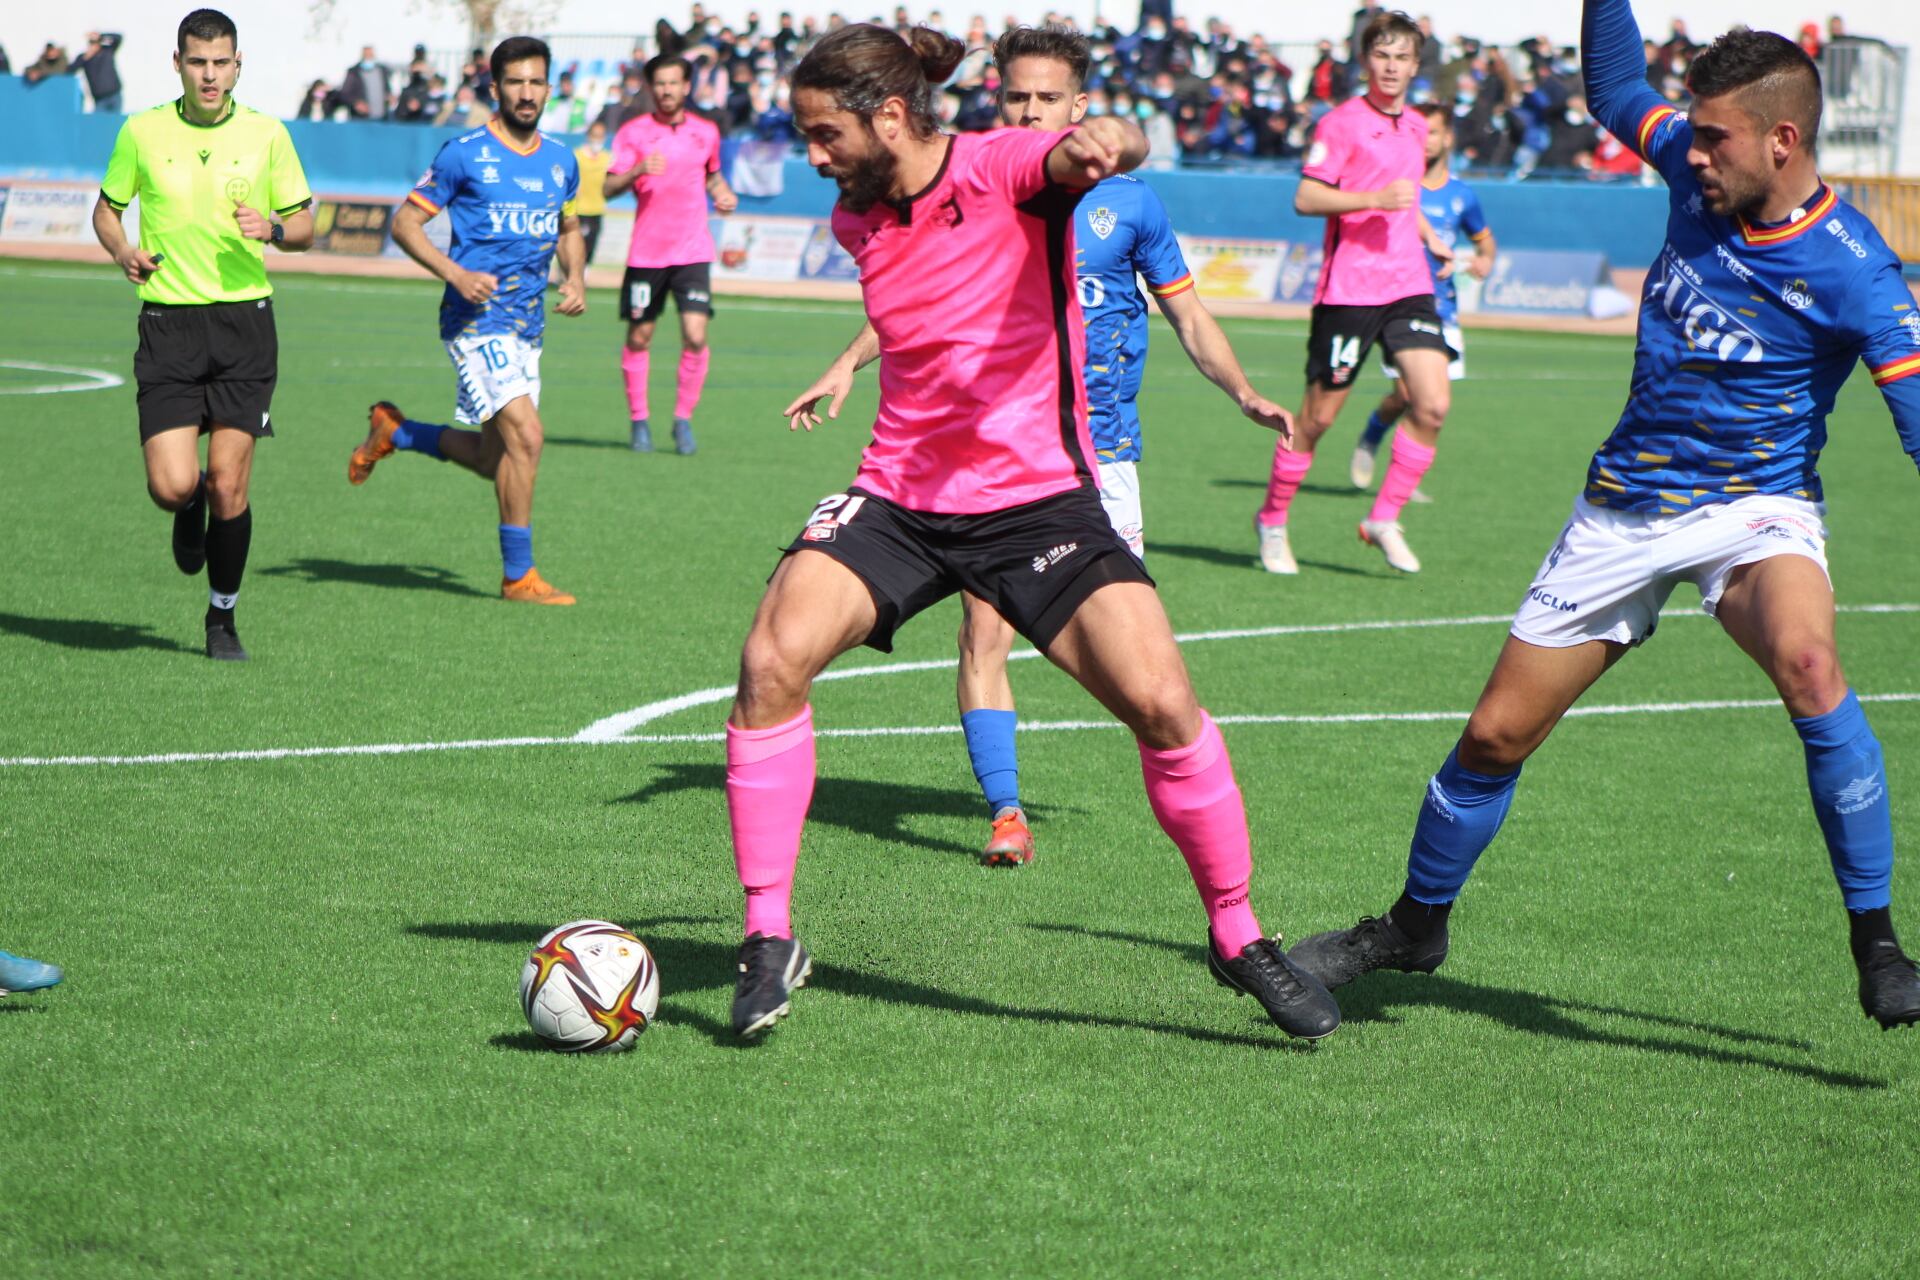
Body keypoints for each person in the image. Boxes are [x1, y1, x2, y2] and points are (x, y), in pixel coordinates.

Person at [1289, 0, 1920, 1033]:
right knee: (1493, 737)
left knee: (1812, 666)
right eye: (1696, 133)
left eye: (1715, 136)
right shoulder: (1691, 166)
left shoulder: (1857, 266)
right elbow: (1621, 92)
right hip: (1622, 512)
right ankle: (1412, 925)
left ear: (1784, 139)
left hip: (1757, 511)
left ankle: (1880, 944)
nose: (1692, 150)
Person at [729, 23, 1338, 1044]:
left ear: (888, 117)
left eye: (825, 134)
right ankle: (765, 934)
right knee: (768, 660)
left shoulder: (1006, 164)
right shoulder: (855, 216)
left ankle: (1237, 935)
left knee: (1164, 702)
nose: (814, 156)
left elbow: (1088, 154)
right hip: (900, 496)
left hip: (1037, 501)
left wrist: (1106, 140)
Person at [789, 25, 1292, 869]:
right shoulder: (989, 184)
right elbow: (919, 299)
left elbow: (1189, 314)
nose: (1029, 110)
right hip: (992, 463)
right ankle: (1007, 808)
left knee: (1144, 685)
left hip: (1102, 456)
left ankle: (1206, 857)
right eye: (1016, 96)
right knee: (981, 638)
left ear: (1077, 106)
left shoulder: (1123, 202)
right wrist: (846, 363)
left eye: (1046, 99)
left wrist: (1240, 389)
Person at [90, 7, 315, 661]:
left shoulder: (268, 134)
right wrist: (121, 252)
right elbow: (106, 211)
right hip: (168, 326)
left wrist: (271, 229)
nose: (209, 75)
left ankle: (222, 619)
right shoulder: (142, 131)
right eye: (198, 62)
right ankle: (187, 510)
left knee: (230, 484)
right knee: (174, 486)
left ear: (237, 65)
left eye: (221, 63)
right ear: (178, 64)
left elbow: (305, 228)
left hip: (245, 324)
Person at [347, 36, 587, 607]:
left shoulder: (561, 159)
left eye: (536, 82)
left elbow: (570, 229)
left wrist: (574, 276)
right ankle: (518, 578)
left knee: (494, 458)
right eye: (515, 82)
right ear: (496, 88)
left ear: (549, 89)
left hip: (528, 326)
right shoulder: (464, 153)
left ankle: (397, 432)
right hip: (476, 322)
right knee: (527, 438)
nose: (526, 93)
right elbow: (405, 224)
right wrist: (454, 273)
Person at [1253, 11, 1454, 577]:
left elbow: (1406, 201)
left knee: (1433, 403)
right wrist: (1370, 200)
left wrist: (1432, 238)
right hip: (1349, 290)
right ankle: (1271, 519)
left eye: (1402, 58)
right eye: (1382, 56)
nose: (1391, 67)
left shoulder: (1416, 125)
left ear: (1416, 65)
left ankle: (1383, 518)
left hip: (1408, 286)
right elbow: (1306, 198)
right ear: (1367, 62)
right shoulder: (1339, 123)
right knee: (1316, 420)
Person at [1350, 101, 1496, 499]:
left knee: (1432, 404)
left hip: (1444, 310)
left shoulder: (1462, 196)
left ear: (1447, 138)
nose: (1424, 141)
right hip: (1399, 305)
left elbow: (1485, 242)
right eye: (1417, 132)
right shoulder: (1397, 186)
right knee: (1407, 395)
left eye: (1432, 132)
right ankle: (1371, 436)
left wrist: (1483, 261)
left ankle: (1403, 475)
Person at [606, 53, 738, 455]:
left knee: (696, 336)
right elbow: (609, 188)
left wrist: (723, 194)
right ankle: (639, 420)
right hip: (647, 254)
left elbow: (712, 175)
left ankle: (683, 420)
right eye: (659, 83)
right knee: (640, 336)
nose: (666, 90)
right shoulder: (632, 133)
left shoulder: (706, 132)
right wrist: (637, 169)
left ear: (686, 86)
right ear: (650, 87)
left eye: (673, 83)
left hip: (693, 251)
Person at [573, 118, 612, 267]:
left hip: (597, 209)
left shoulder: (607, 158)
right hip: (579, 209)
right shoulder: (578, 155)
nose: (597, 140)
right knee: (576, 245)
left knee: (591, 246)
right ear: (589, 135)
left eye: (601, 136)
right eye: (595, 135)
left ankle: (584, 275)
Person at [73, 31, 125, 113]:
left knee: (116, 123)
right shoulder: (85, 57)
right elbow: (71, 69)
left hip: (114, 95)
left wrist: (100, 35)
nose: (94, 45)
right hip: (99, 99)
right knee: (99, 123)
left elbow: (118, 37)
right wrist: (84, 58)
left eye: (96, 42)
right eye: (92, 42)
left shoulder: (107, 51)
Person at [339, 46, 390, 120]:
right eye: (366, 55)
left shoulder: (382, 71)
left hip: (381, 117)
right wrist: (356, 103)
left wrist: (389, 97)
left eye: (370, 55)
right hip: (361, 118)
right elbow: (345, 94)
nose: (368, 57)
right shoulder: (353, 72)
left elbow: (387, 90)